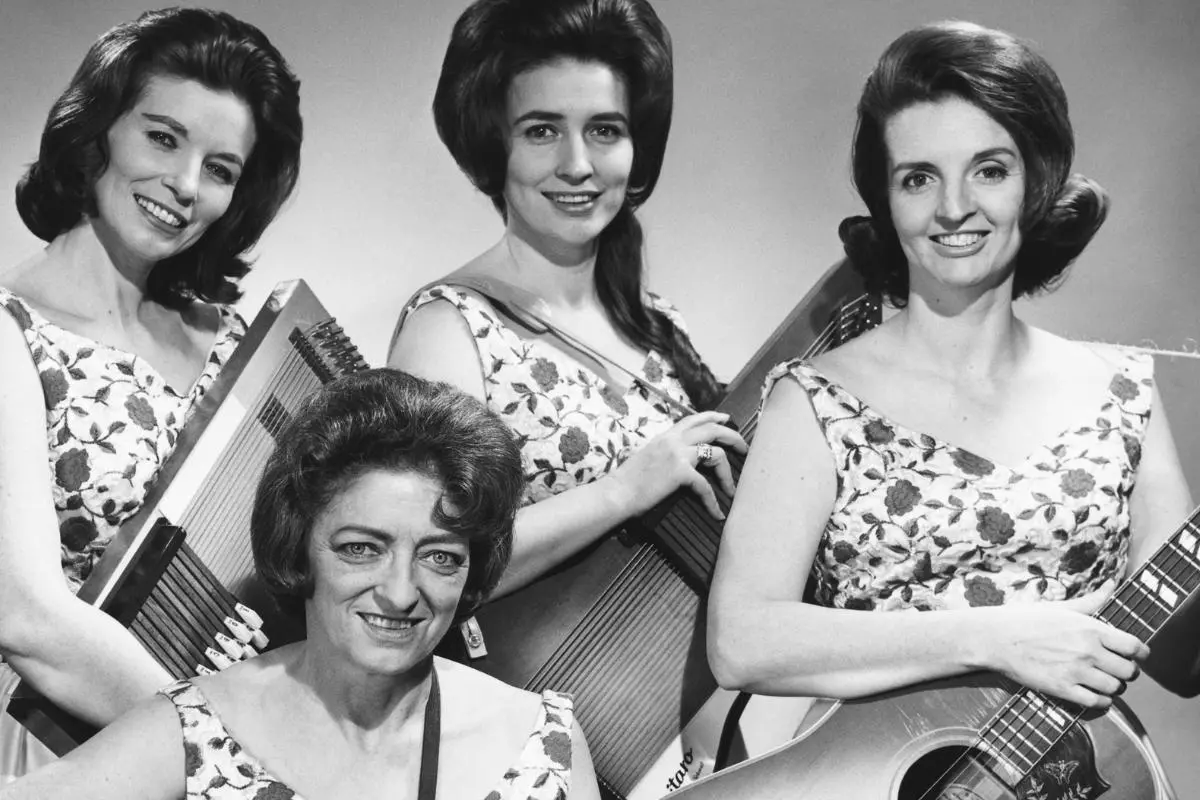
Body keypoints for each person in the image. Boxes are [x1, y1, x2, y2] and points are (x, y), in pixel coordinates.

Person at [708, 18, 1199, 740]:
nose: (953, 208)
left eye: (990, 169)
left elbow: (1184, 663)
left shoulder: (1122, 392)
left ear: (1038, 179)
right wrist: (994, 639)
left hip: (1082, 777)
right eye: (919, 178)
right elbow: (740, 641)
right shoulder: (815, 401)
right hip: (870, 782)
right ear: (886, 197)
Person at [1, 369, 602, 799]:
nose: (399, 592)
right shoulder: (195, 732)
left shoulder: (542, 742)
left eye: (440, 557)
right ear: (301, 548)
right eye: (362, 549)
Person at [0, 7, 302, 782]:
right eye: (163, 138)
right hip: (65, 757)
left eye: (222, 169)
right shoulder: (10, 333)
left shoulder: (237, 340)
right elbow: (28, 619)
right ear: (97, 130)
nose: (185, 185)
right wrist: (237, 755)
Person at [389, 0, 746, 595]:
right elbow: (422, 561)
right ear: (492, 144)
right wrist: (624, 491)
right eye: (542, 131)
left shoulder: (654, 321)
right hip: (533, 685)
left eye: (604, 130)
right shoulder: (449, 330)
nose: (577, 165)